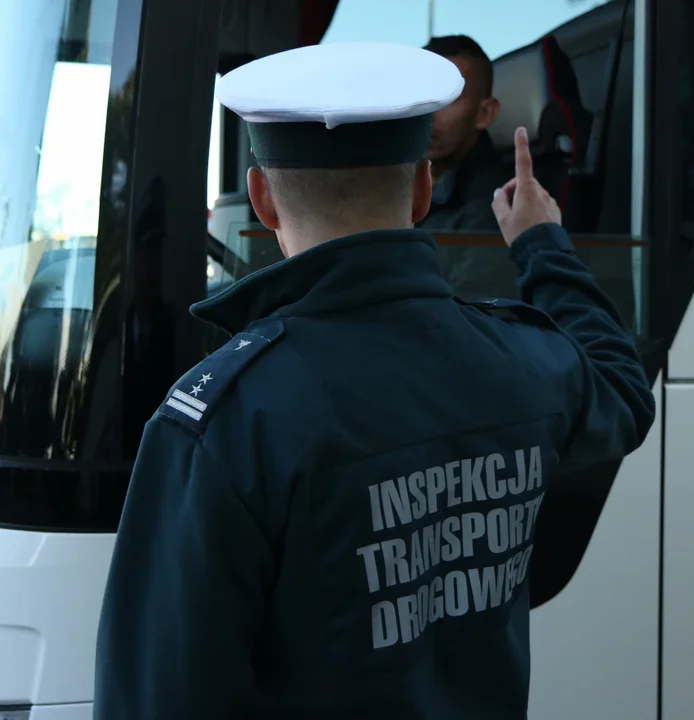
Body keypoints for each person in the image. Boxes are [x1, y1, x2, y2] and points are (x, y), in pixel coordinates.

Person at [93, 41, 655, 719]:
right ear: (422, 190)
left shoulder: (227, 422)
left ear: (262, 199)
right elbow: (623, 389)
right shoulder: (517, 359)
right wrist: (541, 244)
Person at [420, 34, 519, 301]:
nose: (429, 113)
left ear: (485, 113)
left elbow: (467, 306)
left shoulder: (495, 206)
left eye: (448, 97)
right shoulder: (399, 185)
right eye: (421, 95)